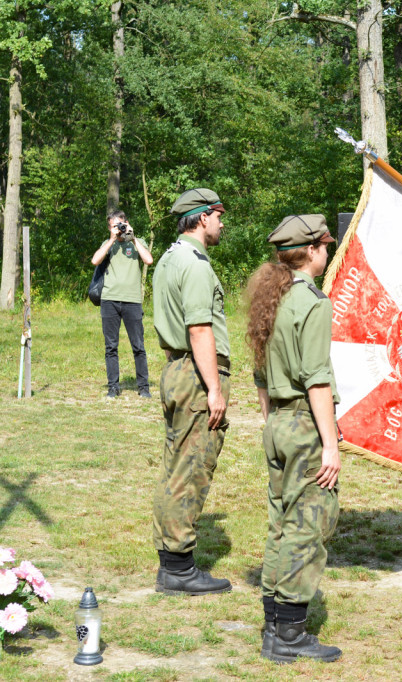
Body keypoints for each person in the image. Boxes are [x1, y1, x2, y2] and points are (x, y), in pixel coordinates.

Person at [247, 214, 342, 663]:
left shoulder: (273, 297)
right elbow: (317, 378)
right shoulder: (312, 302)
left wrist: (273, 421)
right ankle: (289, 633)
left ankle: (274, 623)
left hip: (279, 423)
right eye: (326, 246)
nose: (327, 252)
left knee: (281, 523)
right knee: (308, 527)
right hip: (304, 424)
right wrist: (330, 444)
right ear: (313, 251)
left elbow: (260, 373)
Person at [151, 188, 233, 595]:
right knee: (192, 468)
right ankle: (179, 569)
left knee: (175, 466)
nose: (221, 223)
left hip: (175, 368)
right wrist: (214, 388)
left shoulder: (168, 258)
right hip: (196, 374)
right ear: (202, 218)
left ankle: (172, 561)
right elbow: (199, 329)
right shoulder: (196, 265)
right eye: (218, 215)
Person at [90, 210, 153, 398]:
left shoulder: (136, 242)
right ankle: (113, 387)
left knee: (138, 346)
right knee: (111, 347)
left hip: (132, 300)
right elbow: (95, 260)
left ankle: (143, 387)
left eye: (120, 225)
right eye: (113, 226)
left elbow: (148, 260)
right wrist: (111, 239)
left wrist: (133, 238)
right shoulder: (107, 244)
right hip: (109, 299)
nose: (118, 229)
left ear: (127, 223)